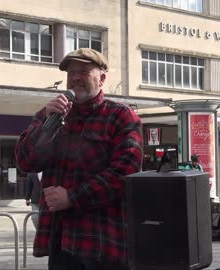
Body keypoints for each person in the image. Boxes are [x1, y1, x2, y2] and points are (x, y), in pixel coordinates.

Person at [15, 48, 143, 270]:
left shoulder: (121, 116)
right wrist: (46, 125)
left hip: (103, 242)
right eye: (71, 72)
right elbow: (25, 162)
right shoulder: (50, 115)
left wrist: (73, 197)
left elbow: (125, 173)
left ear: (102, 78)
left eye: (84, 71)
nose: (75, 78)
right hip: (60, 241)